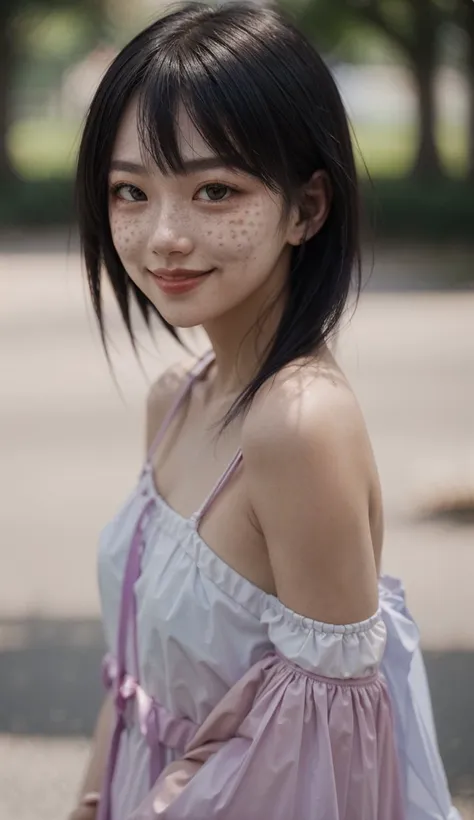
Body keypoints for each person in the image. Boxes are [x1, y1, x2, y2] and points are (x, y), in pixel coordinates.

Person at [70, 3, 460, 819]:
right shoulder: (174, 399)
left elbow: (325, 762)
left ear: (307, 209)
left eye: (215, 189)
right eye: (131, 191)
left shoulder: (298, 425)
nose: (164, 235)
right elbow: (133, 673)